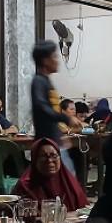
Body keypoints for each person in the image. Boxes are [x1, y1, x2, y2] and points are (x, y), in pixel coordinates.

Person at [31, 40, 82, 173]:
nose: (57, 60)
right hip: (47, 144)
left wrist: (59, 135)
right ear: (45, 60)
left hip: (54, 141)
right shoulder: (38, 81)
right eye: (54, 56)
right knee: (67, 178)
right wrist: (67, 118)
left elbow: (51, 112)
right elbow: (42, 108)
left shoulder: (46, 81)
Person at [12, 138, 88, 211]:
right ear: (35, 160)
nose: (49, 160)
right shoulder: (25, 186)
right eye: (43, 156)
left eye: (54, 156)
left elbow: (84, 211)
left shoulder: (70, 184)